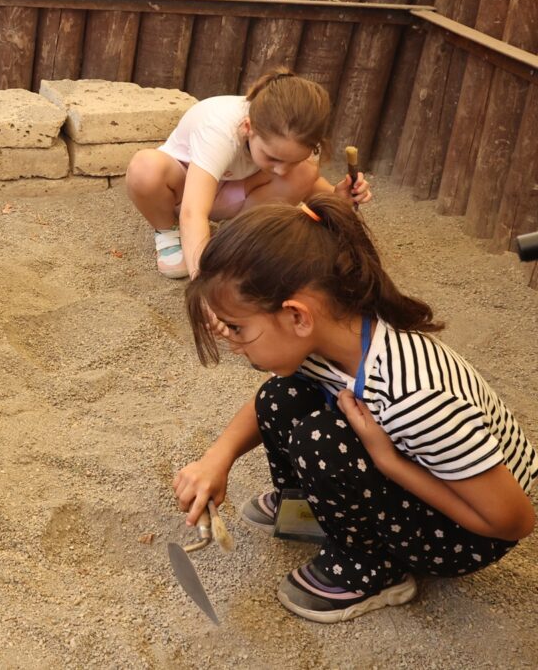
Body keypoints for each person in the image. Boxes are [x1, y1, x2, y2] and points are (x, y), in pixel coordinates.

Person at [173, 194, 536, 623]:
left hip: (467, 530)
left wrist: (387, 461)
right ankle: (309, 508)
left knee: (319, 442)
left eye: (237, 329)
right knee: (280, 397)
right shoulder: (334, 332)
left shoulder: (414, 399)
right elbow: (266, 394)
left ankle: (372, 570)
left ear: (297, 316)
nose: (233, 345)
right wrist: (218, 458)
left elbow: (512, 523)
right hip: (425, 467)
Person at [126, 69, 371, 280]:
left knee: (305, 170)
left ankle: (238, 236)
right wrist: (203, 281)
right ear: (248, 128)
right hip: (186, 190)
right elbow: (193, 212)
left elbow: (307, 181)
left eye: (291, 160)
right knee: (145, 168)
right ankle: (168, 232)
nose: (281, 170)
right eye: (273, 157)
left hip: (233, 193)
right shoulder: (220, 128)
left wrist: (336, 196)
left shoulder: (300, 134)